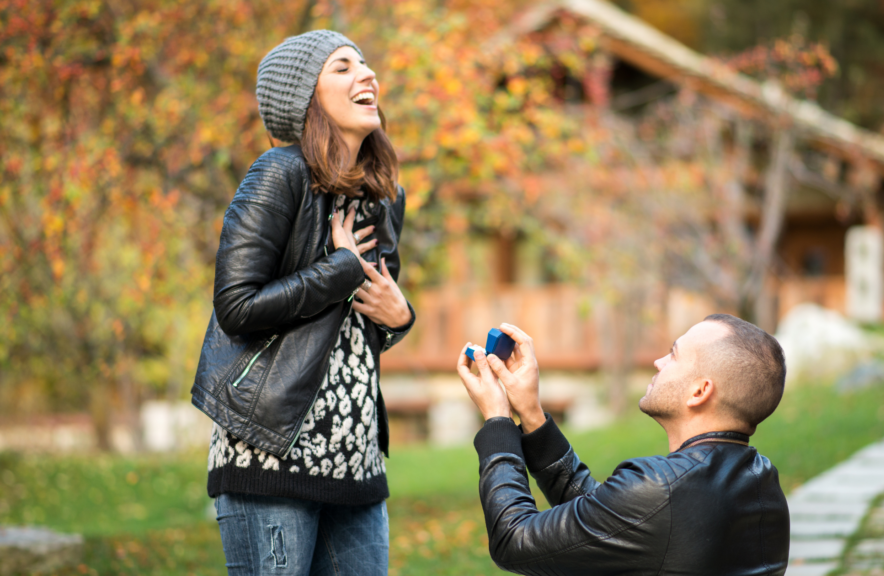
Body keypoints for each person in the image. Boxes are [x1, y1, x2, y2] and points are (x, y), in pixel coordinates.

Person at [191, 30, 414, 575]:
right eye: (342, 67)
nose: (366, 74)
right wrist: (337, 271)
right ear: (306, 99)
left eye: (365, 62)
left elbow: (365, 325)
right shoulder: (279, 174)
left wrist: (400, 319)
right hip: (270, 458)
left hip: (357, 464)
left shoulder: (383, 195)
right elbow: (236, 307)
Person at [456, 314, 790, 575]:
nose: (659, 362)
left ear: (700, 392)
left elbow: (515, 540)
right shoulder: (763, 485)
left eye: (673, 355)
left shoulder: (661, 488)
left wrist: (498, 421)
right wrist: (531, 414)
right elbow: (607, 522)